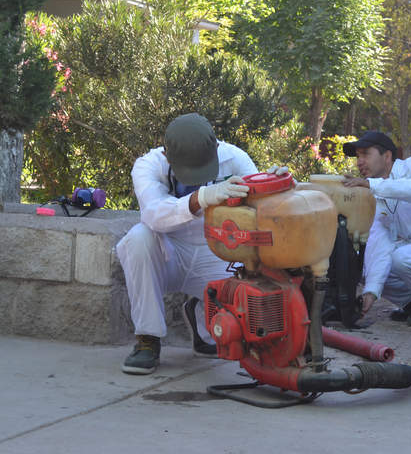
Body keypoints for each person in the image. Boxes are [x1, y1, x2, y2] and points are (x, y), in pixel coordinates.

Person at [116, 112, 286, 374]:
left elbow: (260, 208)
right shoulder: (148, 165)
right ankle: (147, 339)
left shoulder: (235, 158)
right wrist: (202, 197)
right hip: (167, 252)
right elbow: (153, 215)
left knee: (241, 323)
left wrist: (277, 185)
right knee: (138, 239)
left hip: (216, 251)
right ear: (166, 156)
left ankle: (201, 316)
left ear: (217, 148)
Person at [342, 131, 411, 327]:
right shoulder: (377, 194)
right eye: (357, 156)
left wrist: (371, 184)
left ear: (387, 156)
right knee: (368, 268)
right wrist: (371, 291)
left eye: (365, 154)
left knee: (403, 258)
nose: (359, 162)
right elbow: (380, 242)